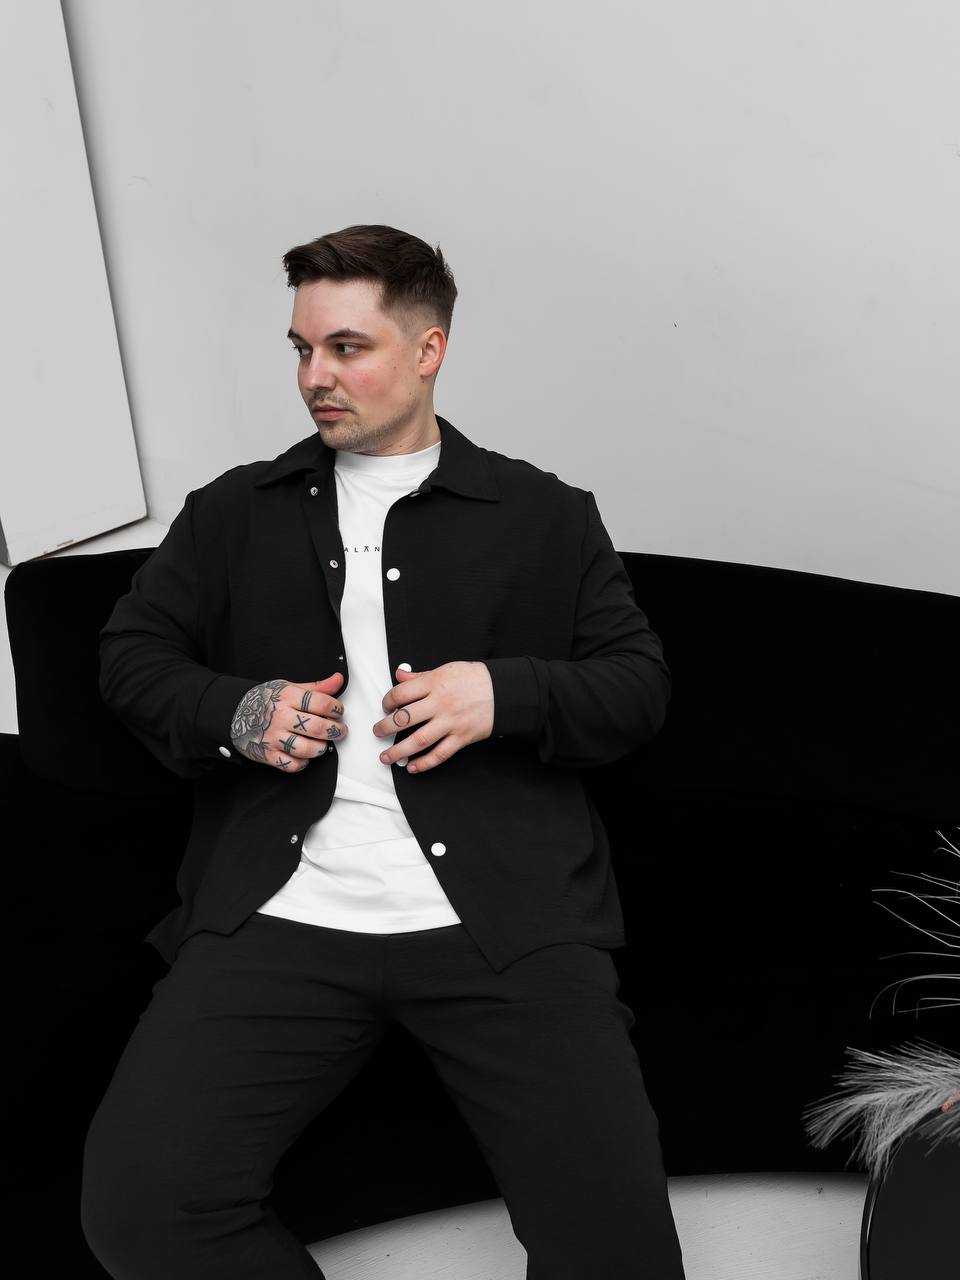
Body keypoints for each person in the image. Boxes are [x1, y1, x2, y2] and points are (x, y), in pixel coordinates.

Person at [80, 223, 687, 1279]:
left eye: (347, 347)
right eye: (302, 348)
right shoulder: (234, 513)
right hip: (282, 916)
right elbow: (130, 658)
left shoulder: (544, 515)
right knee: (143, 1208)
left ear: (428, 348)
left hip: (505, 921)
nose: (315, 376)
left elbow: (638, 688)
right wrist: (235, 710)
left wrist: (505, 692)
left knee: (613, 1247)